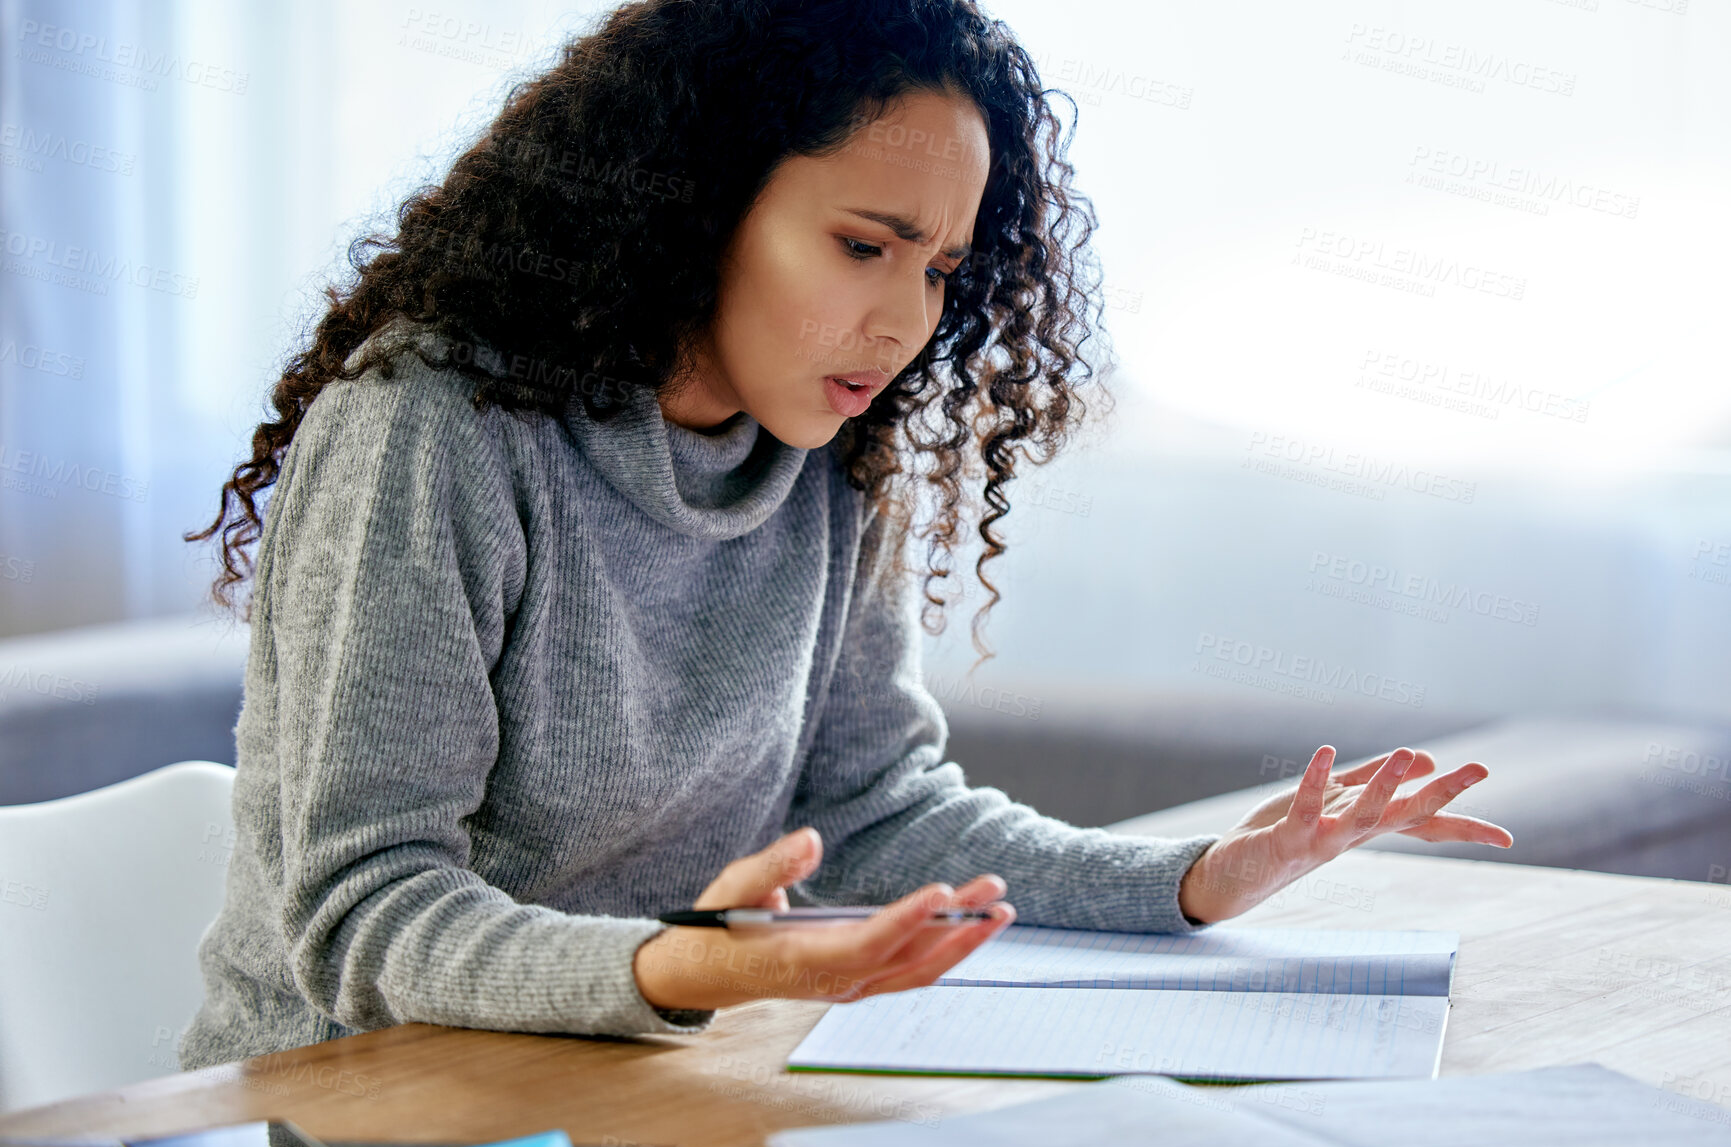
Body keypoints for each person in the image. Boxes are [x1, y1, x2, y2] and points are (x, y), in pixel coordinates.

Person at [176, 0, 1511, 1071]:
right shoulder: (435, 426)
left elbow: (876, 810)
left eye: (938, 269)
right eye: (864, 245)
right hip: (356, 1103)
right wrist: (687, 966)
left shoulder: (824, 449)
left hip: (645, 1076)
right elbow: (367, 910)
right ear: (691, 206)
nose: (905, 322)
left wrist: (1197, 880)